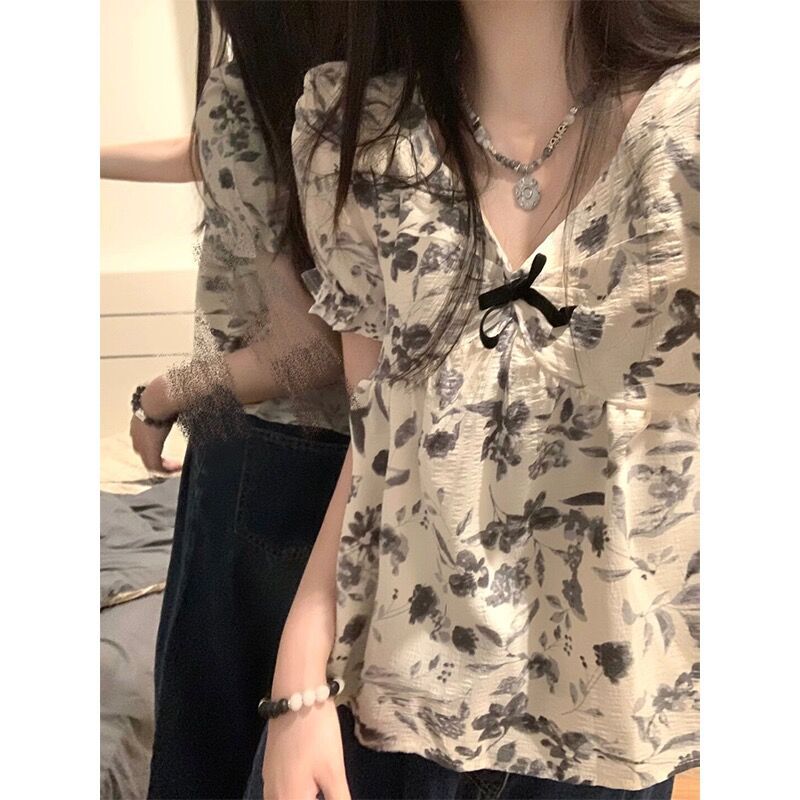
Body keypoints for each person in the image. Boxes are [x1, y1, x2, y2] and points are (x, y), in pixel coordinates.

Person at [248, 1, 700, 798]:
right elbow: (377, 443)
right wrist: (300, 671)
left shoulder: (702, 123)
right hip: (387, 704)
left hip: (606, 723)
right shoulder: (358, 132)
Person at [101, 2, 352, 797]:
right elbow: (219, 150)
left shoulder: (256, 87)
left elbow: (309, 352)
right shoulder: (363, 80)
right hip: (359, 455)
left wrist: (163, 394)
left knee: (213, 733)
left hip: (267, 452)